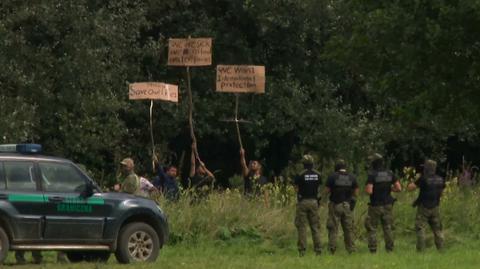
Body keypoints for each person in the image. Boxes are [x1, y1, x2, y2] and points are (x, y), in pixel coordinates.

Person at [364, 153, 402, 253]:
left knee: (372, 228)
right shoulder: (390, 173)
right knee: (387, 227)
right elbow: (399, 188)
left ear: (374, 163)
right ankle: (389, 249)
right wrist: (390, 189)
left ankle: (373, 249)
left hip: (375, 205)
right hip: (388, 204)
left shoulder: (372, 175)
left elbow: (369, 191)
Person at [407, 159, 445, 252]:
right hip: (436, 207)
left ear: (427, 168)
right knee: (437, 229)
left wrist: (413, 179)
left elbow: (410, 188)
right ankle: (441, 249)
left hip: (424, 207)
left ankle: (421, 250)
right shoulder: (440, 179)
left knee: (420, 228)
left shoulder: (423, 178)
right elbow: (442, 193)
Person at [325, 159, 358, 254]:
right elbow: (356, 193)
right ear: (345, 167)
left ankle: (332, 248)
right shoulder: (352, 177)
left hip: (335, 205)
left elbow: (326, 191)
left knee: (333, 227)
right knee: (348, 229)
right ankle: (351, 249)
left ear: (336, 167)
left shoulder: (332, 177)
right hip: (347, 206)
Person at [294, 154, 322, 256]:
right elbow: (319, 189)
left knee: (302, 227)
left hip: (303, 202)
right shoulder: (318, 174)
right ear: (312, 163)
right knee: (315, 226)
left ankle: (302, 250)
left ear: (303, 163)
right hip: (314, 202)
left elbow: (296, 189)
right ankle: (318, 249)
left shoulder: (300, 174)